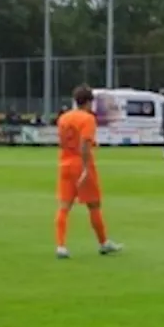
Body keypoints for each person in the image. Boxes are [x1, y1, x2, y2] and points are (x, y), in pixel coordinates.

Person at [55, 85, 122, 259]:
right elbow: (84, 145)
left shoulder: (63, 118)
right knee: (94, 205)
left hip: (65, 163)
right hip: (81, 164)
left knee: (64, 206)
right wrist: (85, 167)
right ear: (89, 102)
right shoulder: (87, 119)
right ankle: (103, 243)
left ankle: (61, 246)